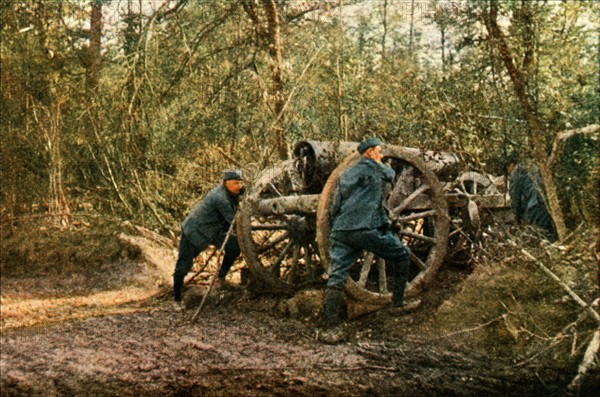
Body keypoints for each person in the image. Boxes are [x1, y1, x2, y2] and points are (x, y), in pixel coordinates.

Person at [319, 138, 421, 344]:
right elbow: (391, 175)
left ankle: (330, 328)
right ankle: (398, 304)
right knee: (402, 255)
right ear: (370, 153)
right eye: (379, 152)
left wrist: (339, 225)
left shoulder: (345, 174)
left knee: (336, 275)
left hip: (342, 228)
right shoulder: (377, 169)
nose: (382, 156)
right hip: (365, 228)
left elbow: (335, 204)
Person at [173, 170, 245, 305]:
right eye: (235, 183)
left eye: (240, 183)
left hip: (213, 231)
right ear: (226, 183)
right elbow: (234, 220)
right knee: (184, 264)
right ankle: (177, 297)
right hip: (195, 231)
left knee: (234, 247)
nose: (239, 186)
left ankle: (221, 278)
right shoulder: (220, 197)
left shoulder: (230, 193)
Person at [507, 156, 558, 242]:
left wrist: (517, 218)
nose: (508, 173)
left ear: (511, 165)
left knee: (541, 237)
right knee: (551, 234)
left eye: (507, 170)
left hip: (535, 205)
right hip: (547, 203)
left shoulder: (516, 171)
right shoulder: (533, 166)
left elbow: (515, 198)